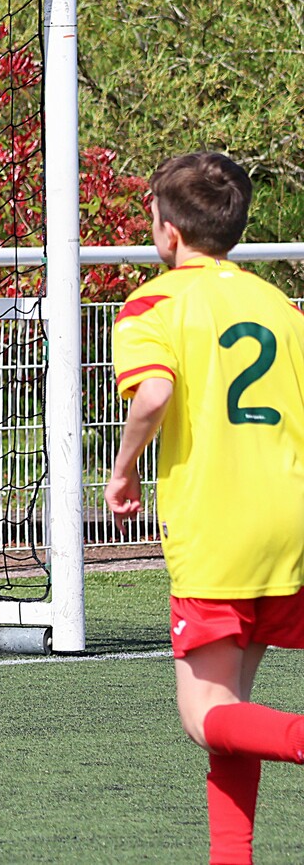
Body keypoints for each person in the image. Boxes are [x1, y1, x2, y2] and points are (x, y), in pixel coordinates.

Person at [106, 151, 304, 865]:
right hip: (289, 520)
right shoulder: (280, 308)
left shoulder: (153, 304)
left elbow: (154, 394)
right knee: (233, 710)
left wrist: (122, 471)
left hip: (219, 526)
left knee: (204, 715)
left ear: (167, 229)